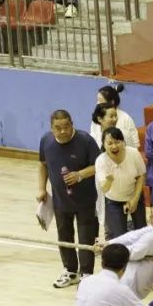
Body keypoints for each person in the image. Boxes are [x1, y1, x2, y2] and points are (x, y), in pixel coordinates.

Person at [38, 110, 101, 288]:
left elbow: (99, 165)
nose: (63, 131)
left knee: (86, 238)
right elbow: (42, 164)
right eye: (58, 128)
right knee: (64, 235)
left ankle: (87, 274)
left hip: (85, 200)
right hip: (60, 200)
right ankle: (70, 271)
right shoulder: (46, 141)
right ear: (51, 128)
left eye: (66, 126)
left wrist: (80, 175)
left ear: (72, 124)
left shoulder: (86, 141)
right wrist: (42, 188)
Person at [96, 127, 147, 240]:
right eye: (110, 143)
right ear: (104, 145)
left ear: (123, 142)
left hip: (134, 196)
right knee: (119, 236)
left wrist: (135, 198)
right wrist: (109, 180)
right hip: (114, 201)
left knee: (142, 232)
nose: (114, 146)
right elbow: (104, 189)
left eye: (117, 142)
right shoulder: (101, 161)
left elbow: (141, 175)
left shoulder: (133, 153)